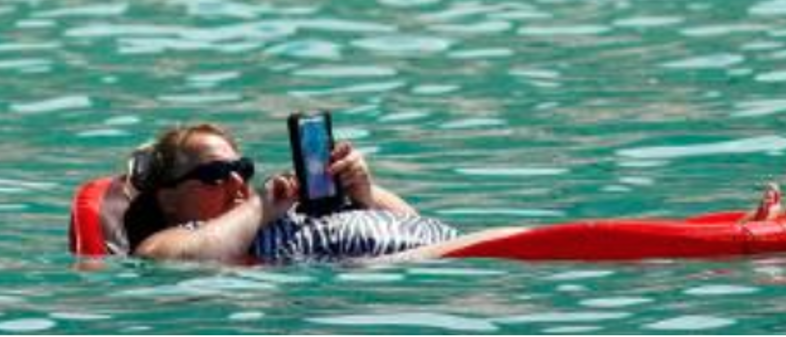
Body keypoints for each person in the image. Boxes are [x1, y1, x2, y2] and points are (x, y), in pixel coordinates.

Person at [122, 122, 518, 264]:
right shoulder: (164, 241)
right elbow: (191, 257)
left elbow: (412, 222)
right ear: (166, 197)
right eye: (214, 174)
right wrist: (261, 207)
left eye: (241, 170)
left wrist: (364, 191)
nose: (237, 183)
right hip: (408, 261)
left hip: (440, 245)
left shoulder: (272, 210)